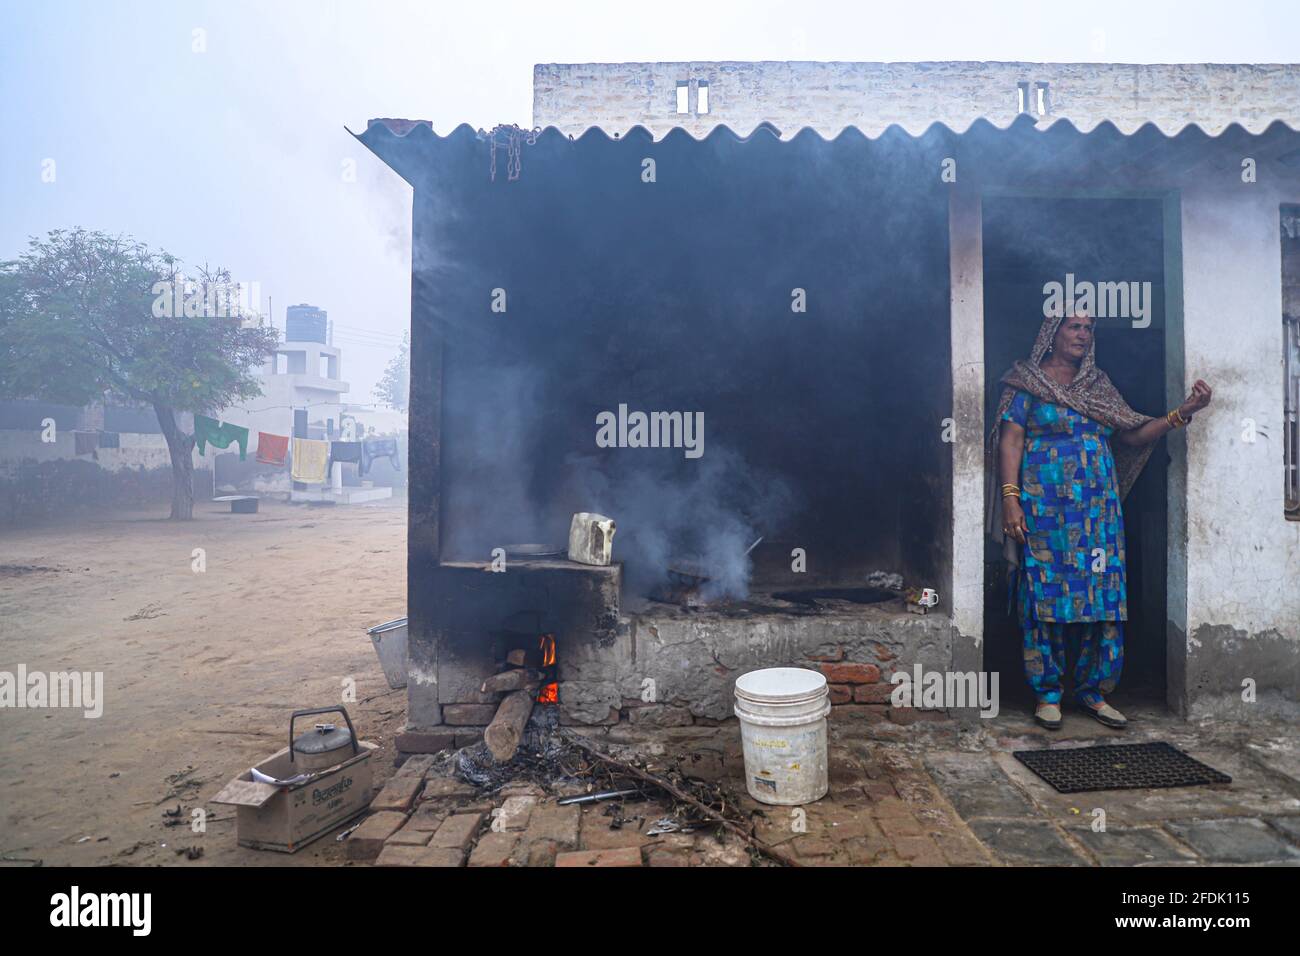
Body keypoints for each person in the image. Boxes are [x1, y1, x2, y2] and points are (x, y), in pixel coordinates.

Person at [989, 311, 1212, 729]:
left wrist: (1182, 413)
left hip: (1098, 513)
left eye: (1089, 328)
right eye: (1074, 326)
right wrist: (1010, 499)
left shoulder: (1098, 386)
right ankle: (1048, 693)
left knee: (1102, 599)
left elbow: (1131, 433)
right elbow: (1011, 439)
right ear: (1051, 334)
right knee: (1044, 597)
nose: (1083, 334)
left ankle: (1094, 692)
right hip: (1045, 511)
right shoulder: (1025, 384)